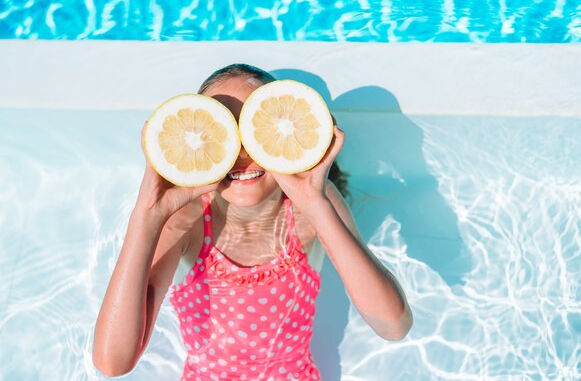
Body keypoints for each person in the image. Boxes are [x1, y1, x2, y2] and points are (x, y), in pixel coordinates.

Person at [92, 64, 413, 380]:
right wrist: (147, 215)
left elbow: (394, 326)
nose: (241, 153)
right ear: (198, 147)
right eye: (221, 134)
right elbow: (113, 362)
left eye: (254, 134)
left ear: (284, 137)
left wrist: (316, 204)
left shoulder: (311, 209)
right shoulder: (186, 222)